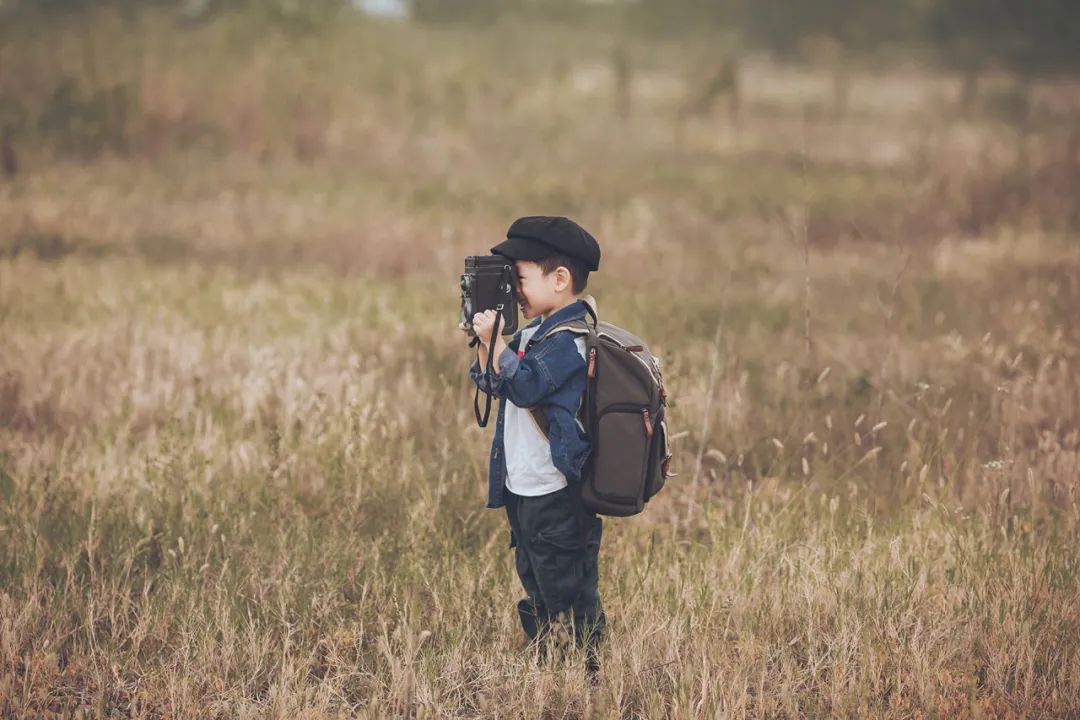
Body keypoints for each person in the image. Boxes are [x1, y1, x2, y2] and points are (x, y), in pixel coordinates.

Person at [465, 215, 605, 678]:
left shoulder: (571, 341)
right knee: (534, 574)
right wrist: (485, 347)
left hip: (556, 490)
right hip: (523, 486)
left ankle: (585, 667)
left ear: (559, 280)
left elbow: (527, 387)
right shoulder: (531, 334)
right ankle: (548, 653)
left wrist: (499, 345)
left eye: (519, 279)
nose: (512, 291)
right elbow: (493, 383)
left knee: (567, 583)